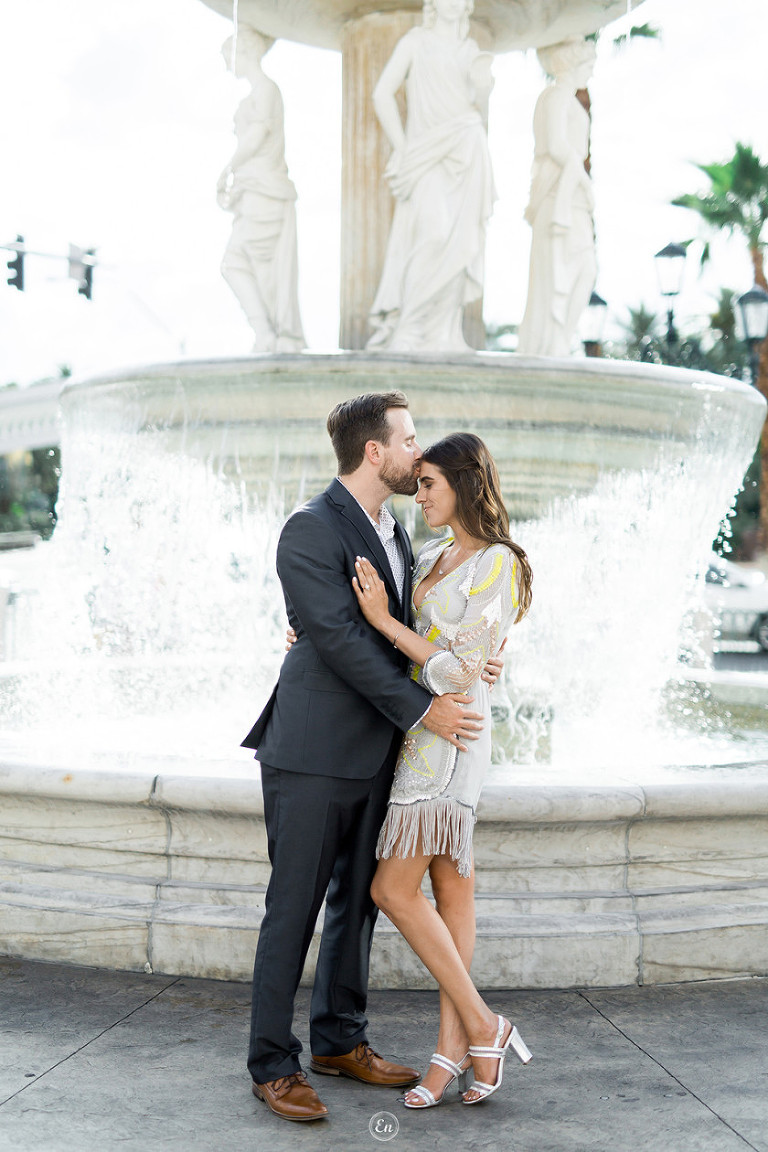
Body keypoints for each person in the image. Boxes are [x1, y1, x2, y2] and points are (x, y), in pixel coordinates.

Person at [241, 392, 503, 1123]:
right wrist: (424, 707)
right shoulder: (308, 529)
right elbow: (339, 638)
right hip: (313, 753)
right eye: (409, 440)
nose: (420, 455)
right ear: (374, 452)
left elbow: (411, 630)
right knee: (291, 912)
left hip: (381, 755)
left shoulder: (397, 536)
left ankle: (339, 1040)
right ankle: (272, 1064)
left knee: (357, 907)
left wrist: (475, 662)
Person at [351, 432, 533, 1108]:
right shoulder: (429, 553)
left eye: (428, 482)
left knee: (391, 890)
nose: (418, 494)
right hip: (418, 731)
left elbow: (457, 668)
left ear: (461, 481)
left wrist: (385, 623)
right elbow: (426, 653)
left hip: (455, 735)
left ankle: (485, 1024)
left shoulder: (500, 563)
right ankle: (457, 1050)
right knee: (451, 890)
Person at [366, 0, 495, 352]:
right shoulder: (415, 42)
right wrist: (403, 147)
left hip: (468, 149)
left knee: (463, 243)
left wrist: (484, 86)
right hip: (425, 153)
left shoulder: (471, 51)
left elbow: (477, 107)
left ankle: (442, 332)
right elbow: (381, 94)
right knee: (433, 234)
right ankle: (409, 327)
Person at [217, 27, 305, 353]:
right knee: (243, 264)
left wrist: (227, 168)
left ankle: (268, 333)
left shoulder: (266, 90)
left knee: (243, 263)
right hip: (254, 191)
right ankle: (267, 332)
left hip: (265, 192)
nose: (227, 65)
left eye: (228, 56)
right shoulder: (255, 94)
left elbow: (255, 138)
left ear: (245, 52)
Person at [516, 37, 597, 357]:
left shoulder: (571, 101)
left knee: (586, 268)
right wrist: (586, 182)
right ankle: (550, 345)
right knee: (554, 274)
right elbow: (555, 145)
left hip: (572, 194)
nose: (590, 73)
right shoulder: (555, 96)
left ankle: (561, 339)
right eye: (587, 66)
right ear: (569, 64)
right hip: (556, 196)